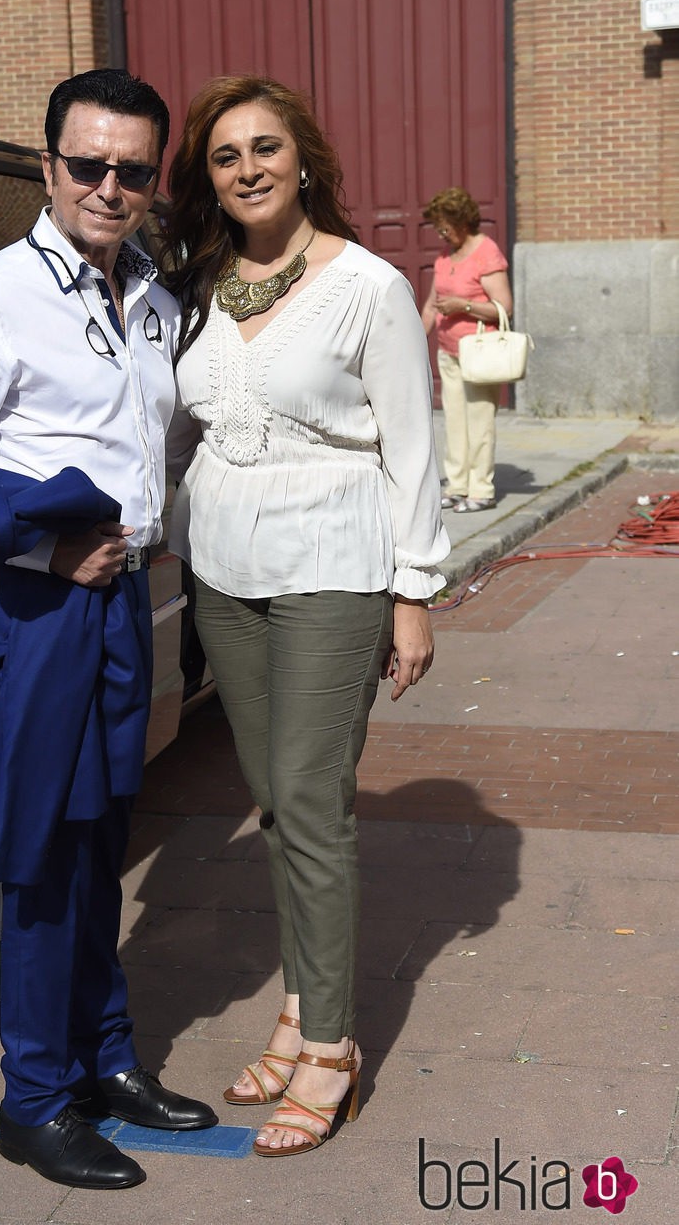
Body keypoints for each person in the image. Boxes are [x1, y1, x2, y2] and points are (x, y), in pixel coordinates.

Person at [0, 68, 216, 1192]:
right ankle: (34, 1100)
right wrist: (41, 549)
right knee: (36, 858)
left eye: (132, 169)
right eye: (88, 165)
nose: (109, 187)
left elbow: (156, 449)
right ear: (47, 166)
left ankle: (105, 1060)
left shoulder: (155, 302)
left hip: (118, 603)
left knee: (101, 839)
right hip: (27, 609)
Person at [160, 75, 449, 1159]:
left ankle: (329, 1045)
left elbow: (411, 444)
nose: (246, 167)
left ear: (302, 157)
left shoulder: (365, 285)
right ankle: (297, 1002)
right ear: (209, 176)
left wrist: (411, 589)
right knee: (275, 800)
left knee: (310, 801)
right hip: (226, 573)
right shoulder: (196, 287)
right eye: (226, 153)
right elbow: (183, 429)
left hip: (333, 565)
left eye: (264, 146)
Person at [420, 186, 514, 513]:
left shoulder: (486, 252)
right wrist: (416, 342)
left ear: (462, 221)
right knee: (455, 422)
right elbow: (431, 305)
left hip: (480, 353)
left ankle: (482, 490)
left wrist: (464, 306)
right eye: (438, 227)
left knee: (479, 422)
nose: (441, 233)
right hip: (448, 353)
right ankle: (457, 485)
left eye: (445, 226)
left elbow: (504, 307)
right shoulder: (445, 257)